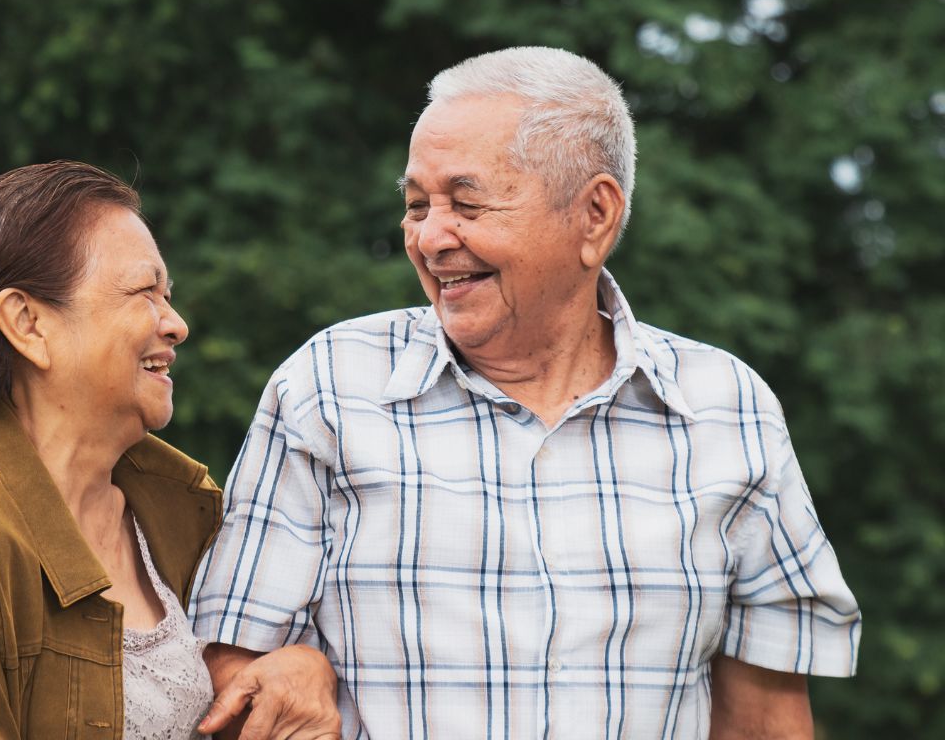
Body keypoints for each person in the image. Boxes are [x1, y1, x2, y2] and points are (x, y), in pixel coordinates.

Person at [189, 48, 861, 738]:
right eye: (417, 205)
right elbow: (232, 666)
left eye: (467, 202)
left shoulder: (728, 409)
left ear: (595, 215)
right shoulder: (329, 388)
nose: (429, 237)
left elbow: (764, 719)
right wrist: (296, 668)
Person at [0, 161, 339, 739]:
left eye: (167, 296)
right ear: (28, 324)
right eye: (144, 292)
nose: (176, 325)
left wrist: (301, 669)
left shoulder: (191, 514)